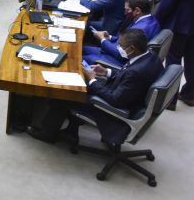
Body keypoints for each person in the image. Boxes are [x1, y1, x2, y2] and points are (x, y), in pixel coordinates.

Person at [27, 29, 163, 146]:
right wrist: (106, 72)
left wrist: (92, 79)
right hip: (126, 95)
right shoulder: (150, 56)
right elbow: (126, 77)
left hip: (116, 110)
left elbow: (115, 99)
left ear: (132, 48)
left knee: (66, 94)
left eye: (121, 45)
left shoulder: (136, 72)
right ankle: (71, 132)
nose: (119, 47)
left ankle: (46, 135)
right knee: (80, 84)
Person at [155, 0, 194, 106]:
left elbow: (169, 1)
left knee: (173, 61)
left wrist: (156, 19)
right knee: (192, 59)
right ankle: (189, 95)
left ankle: (169, 100)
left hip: (180, 24)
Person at [85, 0, 160, 66]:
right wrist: (109, 37)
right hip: (118, 48)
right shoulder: (152, 20)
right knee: (83, 49)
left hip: (121, 60)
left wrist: (102, 39)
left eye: (127, 10)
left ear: (137, 10)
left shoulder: (139, 29)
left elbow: (121, 54)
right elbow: (127, 40)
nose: (125, 13)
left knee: (82, 59)